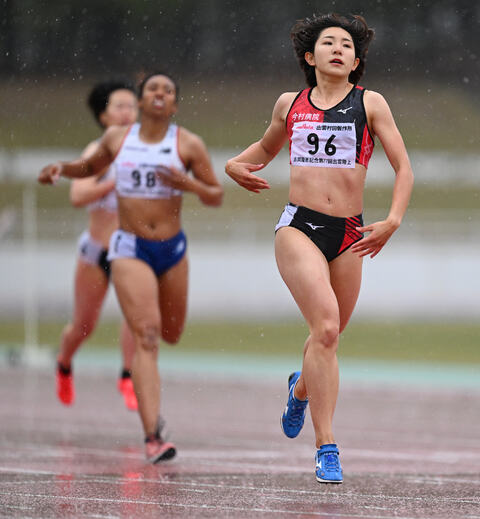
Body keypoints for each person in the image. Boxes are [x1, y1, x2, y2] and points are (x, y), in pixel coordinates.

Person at [225, 13, 413, 484]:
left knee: (327, 336)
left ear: (355, 61)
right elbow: (264, 150)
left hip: (350, 231)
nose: (337, 49)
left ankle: (301, 389)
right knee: (326, 325)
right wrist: (233, 165)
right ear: (310, 57)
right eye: (327, 43)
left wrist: (392, 220)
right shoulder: (290, 104)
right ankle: (326, 447)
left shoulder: (371, 104)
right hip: (299, 226)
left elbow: (404, 167)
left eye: (347, 45)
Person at [39, 72, 223, 463]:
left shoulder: (188, 143)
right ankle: (152, 434)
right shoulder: (117, 139)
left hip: (171, 250)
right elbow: (89, 168)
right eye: (152, 88)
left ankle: (135, 388)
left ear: (174, 104)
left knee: (171, 333)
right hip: (127, 248)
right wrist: (61, 168)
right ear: (141, 101)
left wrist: (186, 184)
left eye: (168, 90)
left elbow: (215, 195)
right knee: (147, 334)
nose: (160, 94)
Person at [55, 80, 138, 410]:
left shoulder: (145, 151)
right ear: (104, 116)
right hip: (96, 252)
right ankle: (63, 364)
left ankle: (128, 376)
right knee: (83, 326)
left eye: (132, 106)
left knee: (136, 316)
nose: (127, 112)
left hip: (131, 251)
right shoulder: (96, 152)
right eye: (119, 106)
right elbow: (77, 195)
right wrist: (114, 183)